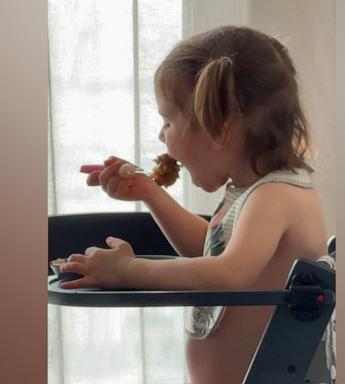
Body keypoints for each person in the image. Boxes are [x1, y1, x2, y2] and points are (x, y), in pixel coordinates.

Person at [60, 26, 329, 383]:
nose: (161, 136)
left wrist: (127, 271)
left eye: (168, 121)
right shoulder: (251, 191)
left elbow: (229, 274)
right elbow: (209, 251)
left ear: (219, 129)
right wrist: (150, 193)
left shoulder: (275, 197)